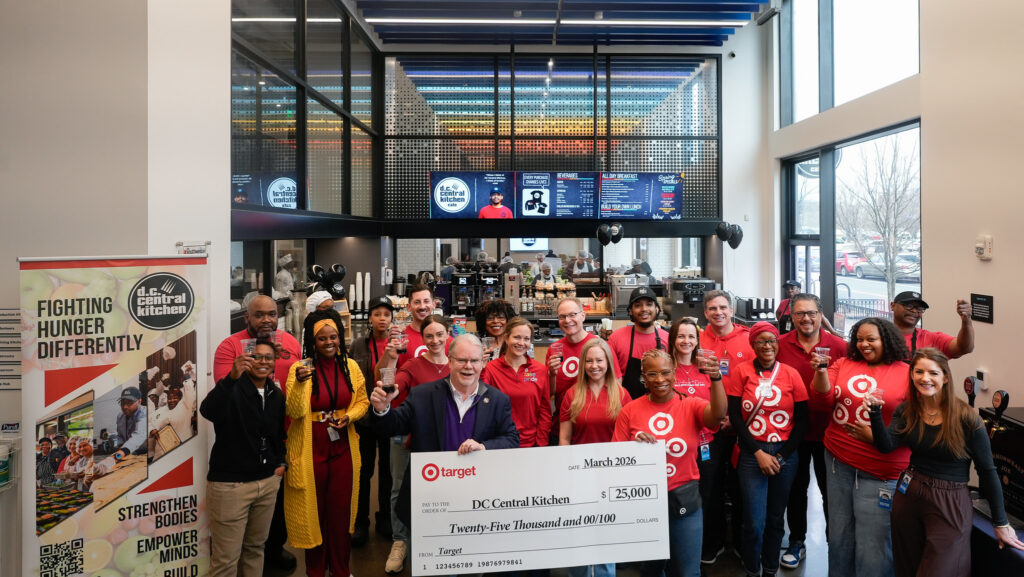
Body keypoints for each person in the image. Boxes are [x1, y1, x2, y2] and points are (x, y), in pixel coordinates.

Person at [868, 348, 1024, 576]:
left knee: (940, 569)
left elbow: (988, 472)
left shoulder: (966, 419)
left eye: (933, 373)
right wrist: (874, 413)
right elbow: (886, 446)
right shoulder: (907, 410)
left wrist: (1001, 523)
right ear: (912, 375)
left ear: (945, 377)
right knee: (906, 567)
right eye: (918, 371)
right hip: (908, 493)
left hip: (949, 499)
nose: (925, 378)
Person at [369, 333, 519, 549]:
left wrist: (484, 447)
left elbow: (511, 439)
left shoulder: (497, 400)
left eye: (474, 360)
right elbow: (392, 427)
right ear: (450, 361)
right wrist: (382, 410)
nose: (468, 366)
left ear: (482, 363)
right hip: (430, 500)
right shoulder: (423, 395)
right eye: (462, 360)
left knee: (472, 566)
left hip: (476, 501)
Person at [809, 317, 911, 577]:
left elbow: (917, 427)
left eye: (871, 339)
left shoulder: (908, 373)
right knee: (840, 535)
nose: (864, 344)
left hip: (881, 471)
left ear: (886, 340)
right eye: (859, 339)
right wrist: (821, 371)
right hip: (837, 462)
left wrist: (877, 437)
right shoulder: (844, 363)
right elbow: (822, 399)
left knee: (874, 546)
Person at [613, 348, 727, 577]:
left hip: (684, 496)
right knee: (652, 570)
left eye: (665, 373)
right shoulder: (629, 411)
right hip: (645, 501)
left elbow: (717, 415)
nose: (660, 379)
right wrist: (632, 447)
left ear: (674, 374)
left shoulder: (691, 404)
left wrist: (716, 379)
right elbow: (617, 460)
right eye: (652, 374)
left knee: (687, 571)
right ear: (643, 377)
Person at [212, 294, 300, 571]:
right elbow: (229, 396)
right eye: (259, 315)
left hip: (285, 437)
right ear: (246, 317)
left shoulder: (290, 342)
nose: (266, 320)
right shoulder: (229, 347)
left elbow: (297, 380)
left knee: (275, 511)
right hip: (245, 445)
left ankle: (276, 550)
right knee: (234, 542)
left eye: (271, 314)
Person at [283, 309, 369, 577]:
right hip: (311, 445)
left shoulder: (351, 367)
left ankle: (341, 570)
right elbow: (294, 411)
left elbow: (363, 401)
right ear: (312, 341)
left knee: (341, 512)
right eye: (322, 338)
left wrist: (350, 416)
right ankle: (316, 571)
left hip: (342, 443)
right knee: (314, 514)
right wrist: (298, 385)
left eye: (334, 337)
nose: (329, 342)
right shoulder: (300, 369)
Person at [201, 338, 287, 577]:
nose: (262, 361)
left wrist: (280, 464)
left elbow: (278, 435)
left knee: (256, 549)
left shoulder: (275, 394)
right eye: (256, 356)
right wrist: (230, 378)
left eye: (268, 357)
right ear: (246, 360)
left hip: (266, 482)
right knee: (226, 560)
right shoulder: (233, 389)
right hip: (231, 486)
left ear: (274, 362)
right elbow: (207, 410)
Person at [729, 322, 808, 577]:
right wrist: (759, 452)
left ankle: (770, 569)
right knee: (754, 521)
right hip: (752, 454)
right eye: (761, 341)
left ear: (778, 343)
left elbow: (803, 419)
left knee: (775, 519)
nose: (767, 346)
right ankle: (752, 569)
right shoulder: (741, 372)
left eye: (772, 341)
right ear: (752, 345)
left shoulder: (791, 374)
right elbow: (735, 417)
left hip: (785, 453)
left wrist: (782, 455)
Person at [774, 293, 846, 569]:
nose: (806, 318)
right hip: (791, 434)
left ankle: (835, 545)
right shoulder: (779, 346)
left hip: (831, 432)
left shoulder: (838, 346)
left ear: (820, 314)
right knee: (796, 489)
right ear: (791, 316)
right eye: (800, 313)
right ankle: (797, 542)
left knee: (833, 493)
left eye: (812, 313)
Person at [382, 314, 452, 574]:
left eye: (439, 335)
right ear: (422, 339)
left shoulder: (456, 364)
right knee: (400, 488)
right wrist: (388, 388)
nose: (435, 340)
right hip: (411, 438)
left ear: (448, 335)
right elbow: (395, 385)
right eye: (429, 336)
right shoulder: (412, 365)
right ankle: (400, 542)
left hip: (447, 440)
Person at [559, 338, 630, 577]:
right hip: (580, 474)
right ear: (582, 365)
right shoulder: (572, 395)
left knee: (606, 531)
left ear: (608, 363)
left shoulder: (621, 394)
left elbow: (629, 438)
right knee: (579, 531)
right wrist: (566, 472)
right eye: (588, 361)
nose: (594, 365)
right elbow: (565, 438)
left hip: (611, 475)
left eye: (599, 360)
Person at [698, 289, 753, 566]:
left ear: (731, 310)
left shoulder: (748, 338)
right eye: (712, 309)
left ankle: (743, 544)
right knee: (710, 488)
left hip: (742, 425)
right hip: (708, 427)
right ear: (705, 312)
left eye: (722, 307)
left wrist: (737, 418)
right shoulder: (697, 338)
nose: (718, 313)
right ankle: (714, 543)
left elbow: (756, 381)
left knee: (743, 487)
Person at [348, 296, 395, 547]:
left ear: (391, 318)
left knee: (388, 469)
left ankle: (385, 517)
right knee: (363, 470)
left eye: (386, 314)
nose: (382, 318)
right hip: (364, 415)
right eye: (377, 313)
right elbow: (351, 377)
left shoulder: (398, 345)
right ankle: (360, 521)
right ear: (370, 318)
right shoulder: (358, 345)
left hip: (389, 415)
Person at [546, 298, 611, 438]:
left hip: (593, 425)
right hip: (562, 424)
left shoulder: (599, 346)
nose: (567, 320)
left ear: (583, 316)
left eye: (572, 315)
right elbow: (550, 393)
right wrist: (551, 374)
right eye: (562, 316)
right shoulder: (554, 349)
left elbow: (614, 384)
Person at [482, 317, 551, 447]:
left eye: (526, 339)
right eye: (517, 337)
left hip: (531, 444)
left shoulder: (540, 370)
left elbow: (545, 411)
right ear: (506, 338)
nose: (521, 343)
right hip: (500, 443)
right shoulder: (491, 369)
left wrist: (541, 444)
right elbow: (482, 403)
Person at [607, 286, 669, 400]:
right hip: (625, 405)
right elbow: (611, 380)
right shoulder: (616, 339)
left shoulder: (668, 339)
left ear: (657, 309)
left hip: (661, 406)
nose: (644, 309)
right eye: (638, 305)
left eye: (649, 304)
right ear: (630, 311)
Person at [890, 291, 974, 359]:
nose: (915, 311)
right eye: (908, 306)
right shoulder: (880, 335)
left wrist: (966, 320)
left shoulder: (931, 339)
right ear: (892, 306)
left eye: (919, 308)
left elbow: (964, 348)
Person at [114, 387, 148, 458]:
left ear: (139, 401)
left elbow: (140, 435)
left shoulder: (145, 413)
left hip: (145, 453)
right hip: (128, 452)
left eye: (129, 403)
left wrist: (123, 451)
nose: (125, 406)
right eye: (123, 403)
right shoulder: (120, 416)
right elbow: (120, 436)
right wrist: (116, 443)